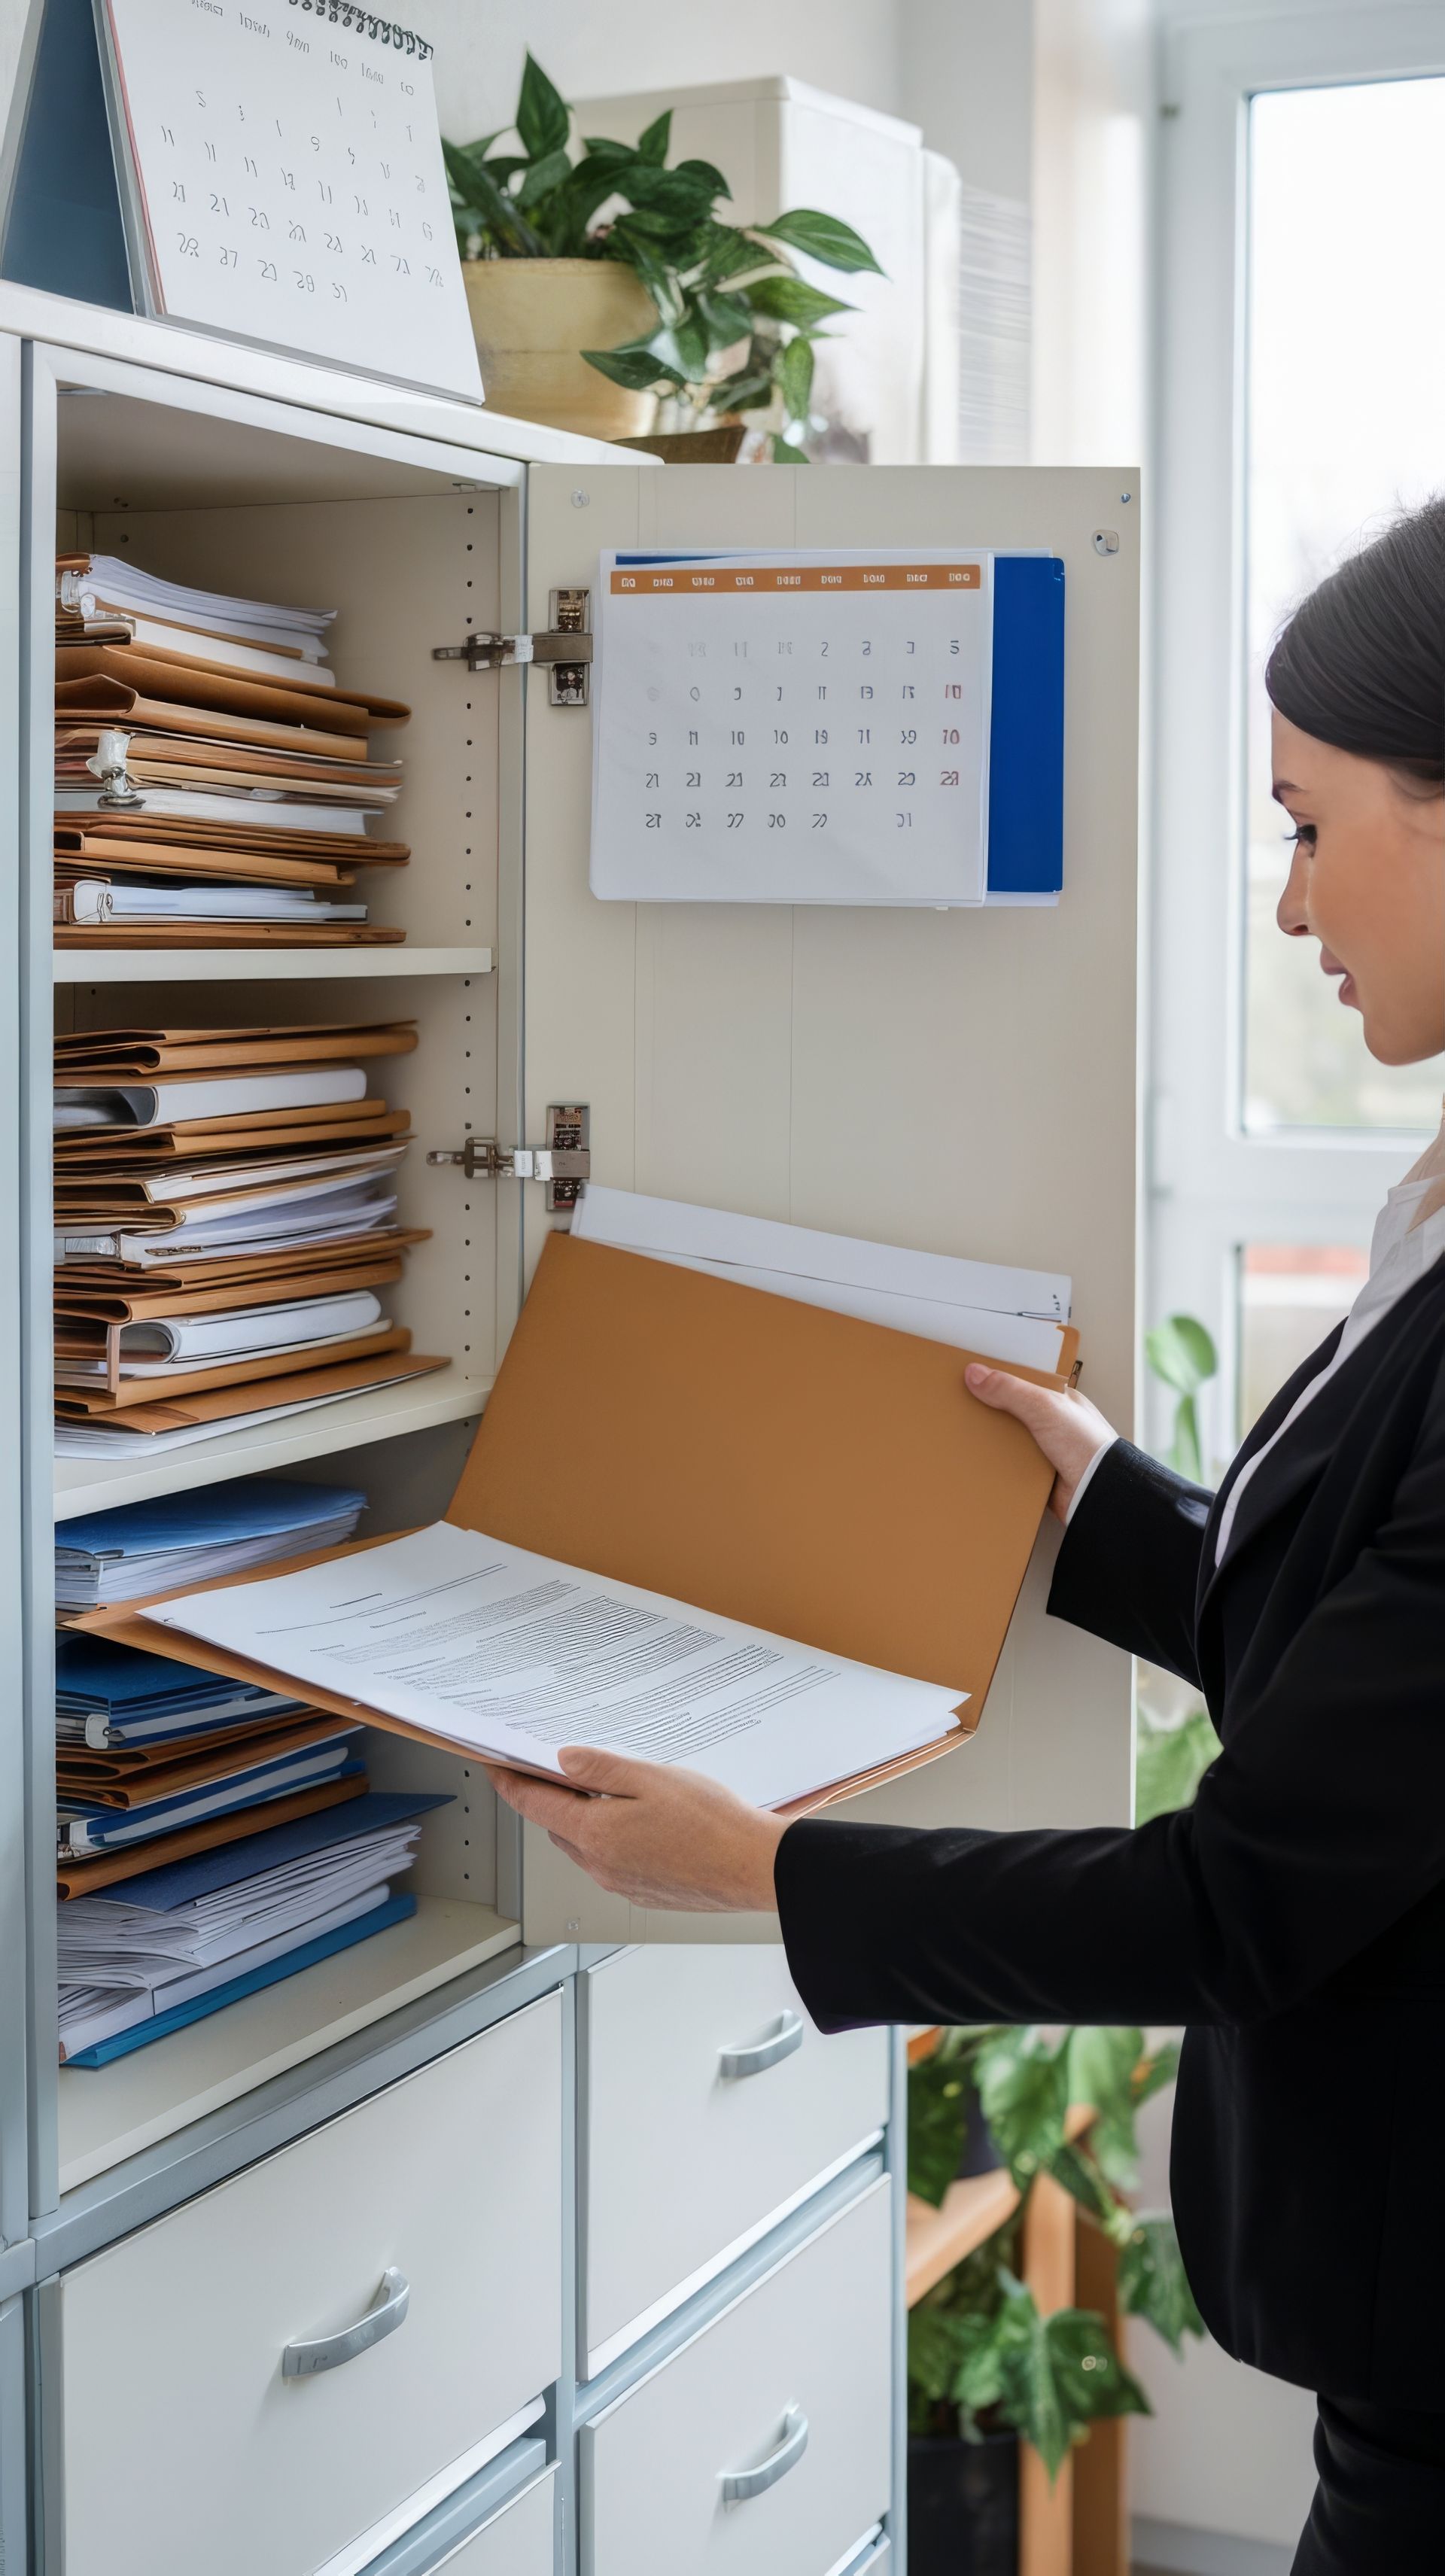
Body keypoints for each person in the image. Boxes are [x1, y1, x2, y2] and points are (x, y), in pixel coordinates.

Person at [488, 497, 1445, 2574]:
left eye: (1305, 824)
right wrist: (1095, 1487)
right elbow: (1375, 1673)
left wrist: (769, 1873)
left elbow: (1251, 1897)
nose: (1291, 908)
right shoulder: (1432, 1199)